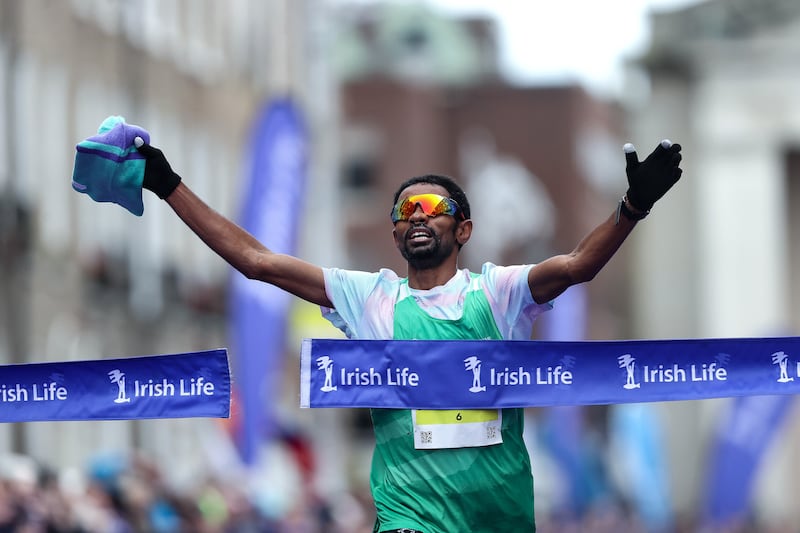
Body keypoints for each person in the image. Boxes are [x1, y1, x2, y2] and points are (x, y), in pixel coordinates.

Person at [130, 136, 683, 532]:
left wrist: (632, 208)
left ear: (463, 229)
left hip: (498, 514)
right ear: (395, 234)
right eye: (403, 210)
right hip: (408, 517)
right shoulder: (369, 297)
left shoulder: (498, 293)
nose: (415, 216)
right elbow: (256, 260)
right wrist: (166, 183)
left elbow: (576, 266)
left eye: (431, 207)